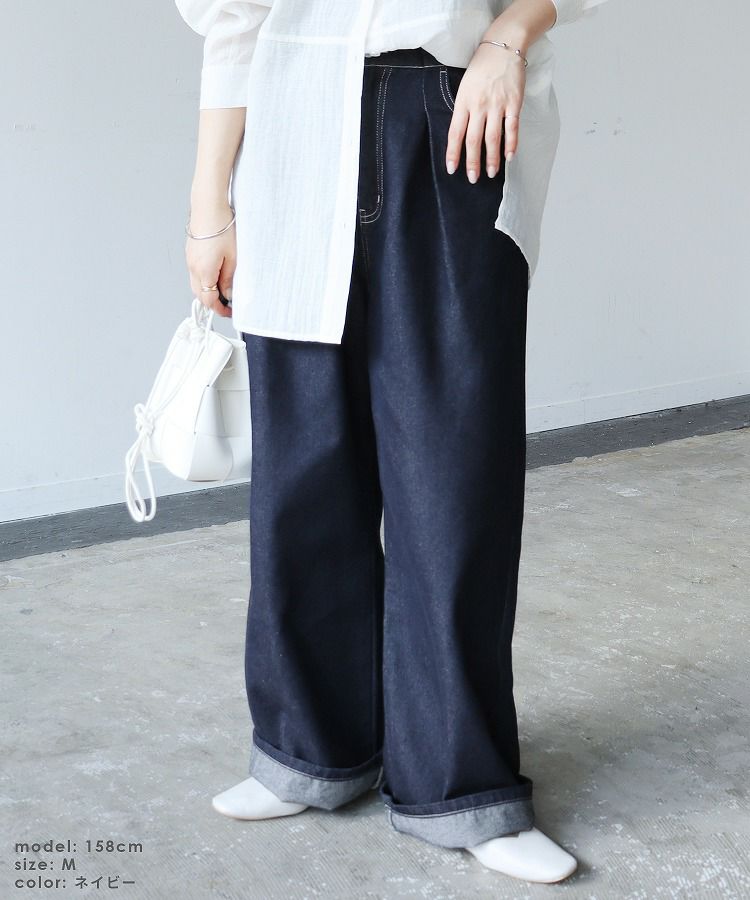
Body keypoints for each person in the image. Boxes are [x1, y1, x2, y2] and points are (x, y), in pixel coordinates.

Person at [175, 0, 608, 885]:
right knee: (303, 471)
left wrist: (509, 37)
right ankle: (307, 751)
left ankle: (463, 786)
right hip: (291, 121)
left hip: (453, 112)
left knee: (455, 472)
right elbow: (235, 19)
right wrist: (208, 203)